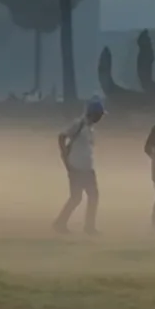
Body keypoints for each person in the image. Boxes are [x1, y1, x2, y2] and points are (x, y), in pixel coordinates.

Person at [53, 98, 105, 235]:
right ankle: (61, 223)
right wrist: (64, 155)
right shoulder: (78, 125)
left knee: (92, 196)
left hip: (88, 168)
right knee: (77, 198)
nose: (100, 117)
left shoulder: (91, 129)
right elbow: (62, 136)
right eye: (99, 114)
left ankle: (88, 227)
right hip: (76, 167)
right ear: (92, 113)